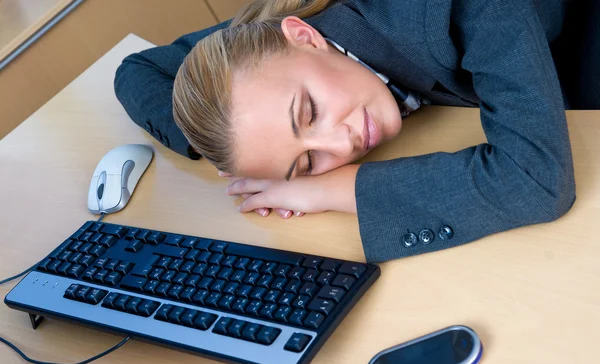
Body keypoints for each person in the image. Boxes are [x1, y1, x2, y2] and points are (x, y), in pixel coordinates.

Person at [113, 0, 596, 264]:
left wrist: (335, 187)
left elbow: (537, 180)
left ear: (305, 36)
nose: (341, 144)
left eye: (309, 113)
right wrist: (232, 146)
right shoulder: (266, 47)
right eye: (305, 163)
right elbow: (136, 73)